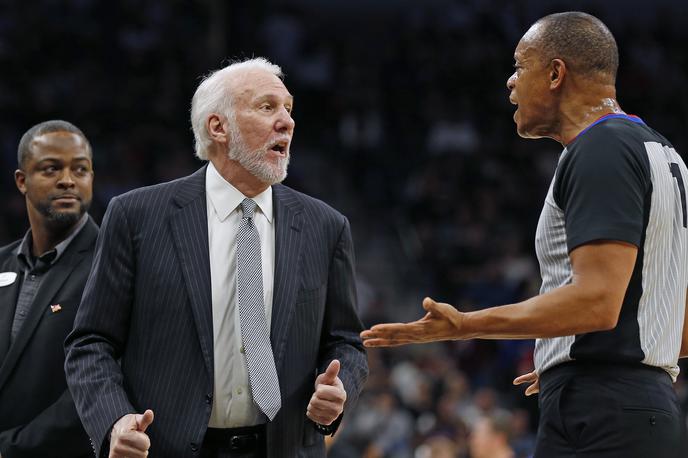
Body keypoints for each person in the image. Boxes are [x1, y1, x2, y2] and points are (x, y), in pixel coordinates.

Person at [361, 11, 688, 458]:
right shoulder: (664, 155)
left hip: (603, 419)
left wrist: (465, 326)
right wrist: (576, 354)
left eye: (519, 66)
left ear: (556, 73)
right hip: (641, 411)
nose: (510, 83)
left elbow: (597, 301)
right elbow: (678, 326)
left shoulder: (601, 148)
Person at [64, 57, 368, 458]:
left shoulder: (326, 227)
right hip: (166, 448)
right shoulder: (136, 216)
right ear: (217, 127)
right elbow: (90, 343)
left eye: (288, 109)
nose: (287, 122)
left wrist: (338, 387)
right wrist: (115, 421)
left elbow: (345, 342)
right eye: (266, 107)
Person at [0, 120, 96, 458]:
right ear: (22, 181)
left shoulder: (112, 263)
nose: (68, 180)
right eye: (51, 168)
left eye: (80, 169)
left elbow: (99, 385)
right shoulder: (2, 264)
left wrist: (11, 448)